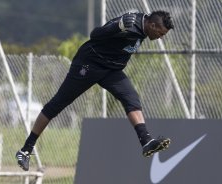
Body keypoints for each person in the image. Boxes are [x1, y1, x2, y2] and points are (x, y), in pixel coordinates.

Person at [16, 10, 174, 171]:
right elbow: (95, 34)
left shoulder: (146, 25)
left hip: (111, 70)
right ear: (152, 25)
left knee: (131, 99)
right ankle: (25, 150)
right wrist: (118, 27)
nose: (161, 37)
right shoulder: (130, 24)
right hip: (89, 65)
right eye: (160, 33)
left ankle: (146, 141)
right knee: (57, 104)